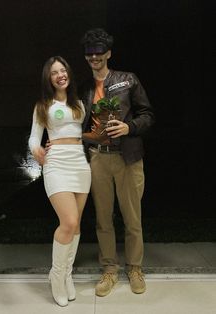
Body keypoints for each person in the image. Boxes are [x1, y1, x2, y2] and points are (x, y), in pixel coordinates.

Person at [80, 28, 155, 297]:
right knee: (103, 219)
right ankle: (109, 270)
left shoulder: (128, 80)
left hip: (128, 158)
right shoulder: (85, 87)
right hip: (98, 158)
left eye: (99, 52)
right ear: (86, 56)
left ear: (108, 53)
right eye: (90, 53)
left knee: (132, 218)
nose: (94, 57)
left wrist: (129, 127)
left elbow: (148, 114)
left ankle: (134, 268)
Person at [28, 56, 91, 307]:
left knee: (76, 227)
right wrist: (36, 151)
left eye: (63, 70)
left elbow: (78, 134)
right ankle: (56, 275)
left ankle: (67, 274)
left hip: (79, 163)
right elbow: (34, 138)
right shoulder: (43, 105)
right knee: (69, 221)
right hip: (56, 165)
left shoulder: (79, 104)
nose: (60, 74)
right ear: (49, 78)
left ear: (69, 74)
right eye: (54, 72)